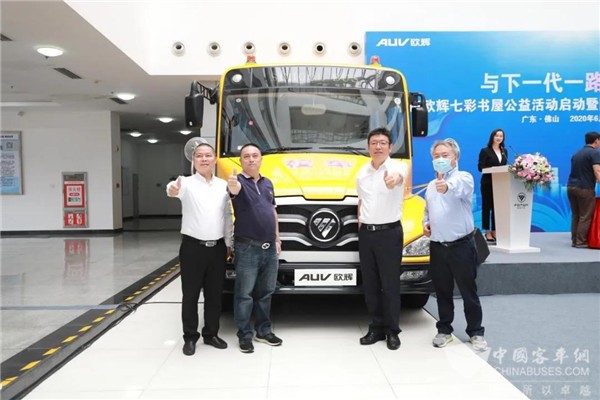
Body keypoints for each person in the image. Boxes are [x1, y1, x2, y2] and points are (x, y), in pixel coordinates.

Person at [166, 139, 233, 356]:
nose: (204, 159)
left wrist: (229, 243)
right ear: (193, 160)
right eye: (199, 156)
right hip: (192, 248)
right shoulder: (185, 183)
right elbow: (172, 190)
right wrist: (172, 189)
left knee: (214, 295)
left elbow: (226, 216)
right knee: (191, 294)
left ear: (215, 159)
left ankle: (211, 334)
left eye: (208, 155)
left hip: (218, 248)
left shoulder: (223, 185)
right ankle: (190, 337)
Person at [423, 138, 487, 351]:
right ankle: (444, 330)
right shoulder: (430, 186)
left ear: (455, 157)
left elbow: (459, 188)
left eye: (445, 155)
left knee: (469, 292)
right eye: (436, 156)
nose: (440, 159)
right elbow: (427, 211)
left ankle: (476, 332)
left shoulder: (464, 178)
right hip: (438, 246)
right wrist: (426, 224)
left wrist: (447, 186)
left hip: (461, 246)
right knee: (442, 291)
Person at [227, 143, 283, 353]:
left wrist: (277, 238)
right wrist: (233, 185)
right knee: (244, 295)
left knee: (266, 292)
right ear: (241, 161)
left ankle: (263, 331)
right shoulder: (238, 182)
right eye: (246, 156)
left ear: (261, 159)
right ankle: (244, 335)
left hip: (270, 248)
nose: (251, 159)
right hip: (247, 248)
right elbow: (234, 191)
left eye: (255, 155)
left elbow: (272, 211)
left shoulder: (268, 183)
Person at [356, 127, 407, 351]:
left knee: (390, 284)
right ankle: (376, 327)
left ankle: (392, 331)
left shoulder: (398, 167)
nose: (378, 146)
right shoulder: (362, 172)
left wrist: (393, 180)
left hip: (389, 233)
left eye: (383, 143)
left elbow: (398, 178)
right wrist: (360, 225)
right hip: (367, 234)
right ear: (368, 147)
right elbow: (361, 201)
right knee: (371, 284)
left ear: (390, 147)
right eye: (374, 143)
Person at [567, 131, 600, 248]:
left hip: (571, 187)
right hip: (585, 188)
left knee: (576, 215)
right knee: (585, 216)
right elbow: (597, 170)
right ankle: (581, 242)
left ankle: (575, 240)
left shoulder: (577, 153)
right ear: (596, 140)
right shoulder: (594, 153)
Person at [477, 128, 508, 242]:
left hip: (500, 183)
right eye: (497, 135)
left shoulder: (504, 151)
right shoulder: (485, 151)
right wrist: (493, 169)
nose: (499, 138)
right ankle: (487, 231)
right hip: (487, 183)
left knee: (497, 208)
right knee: (487, 207)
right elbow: (480, 167)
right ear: (492, 137)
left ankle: (495, 230)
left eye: (501, 136)